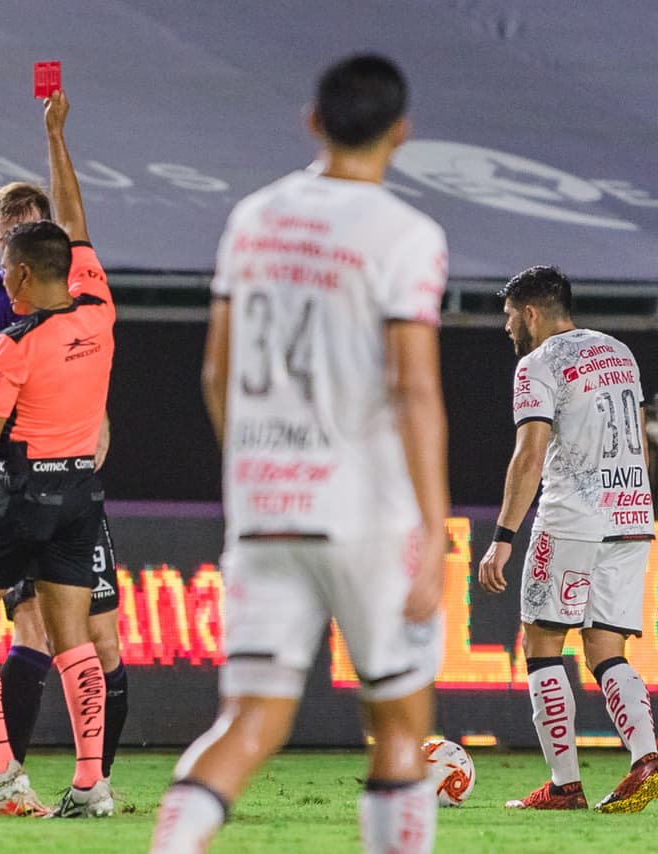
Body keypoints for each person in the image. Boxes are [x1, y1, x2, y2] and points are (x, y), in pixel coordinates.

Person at [150, 55, 449, 854]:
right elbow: (414, 389)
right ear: (401, 133)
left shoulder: (252, 218)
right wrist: (435, 526)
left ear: (311, 122)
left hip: (267, 505)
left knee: (249, 719)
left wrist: (253, 467)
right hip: (368, 513)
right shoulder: (407, 235)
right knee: (398, 721)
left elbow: (216, 369)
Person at [0, 88, 117, 819]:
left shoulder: (12, 346)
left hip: (17, 495)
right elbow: (73, 222)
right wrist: (57, 135)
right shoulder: (101, 310)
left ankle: (2, 772)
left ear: (16, 275)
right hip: (80, 494)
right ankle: (89, 785)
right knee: (74, 640)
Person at [477, 265, 658, 813]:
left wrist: (503, 538)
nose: (508, 328)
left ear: (532, 314)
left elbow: (530, 455)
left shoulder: (537, 366)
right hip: (631, 514)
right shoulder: (619, 353)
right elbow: (641, 442)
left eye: (511, 316)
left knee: (542, 645)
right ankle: (645, 758)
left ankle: (565, 785)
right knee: (606, 649)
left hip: (571, 519)